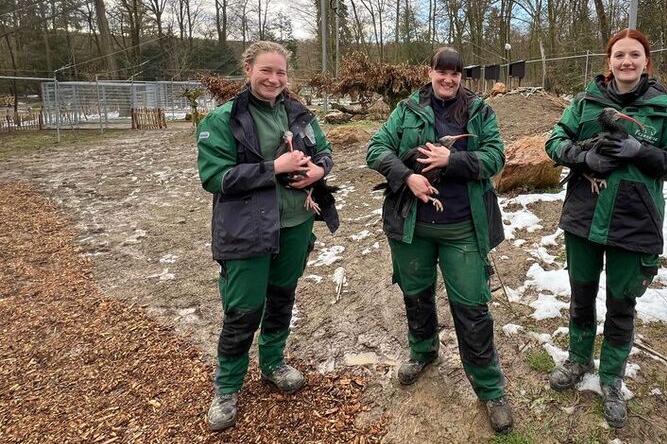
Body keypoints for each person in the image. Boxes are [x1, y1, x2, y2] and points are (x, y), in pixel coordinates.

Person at [544, 29, 667, 428]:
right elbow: (554, 141)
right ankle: (578, 360)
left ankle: (611, 377)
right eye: (619, 55)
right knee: (581, 293)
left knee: (622, 303)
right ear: (608, 60)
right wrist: (583, 157)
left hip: (635, 221)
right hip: (583, 216)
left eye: (634, 55)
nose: (626, 62)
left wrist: (642, 151)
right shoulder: (585, 103)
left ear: (646, 60)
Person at [366, 47, 513, 434]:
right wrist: (406, 176)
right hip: (412, 225)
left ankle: (489, 388)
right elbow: (375, 149)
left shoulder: (478, 111)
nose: (448, 79)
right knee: (416, 293)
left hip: (462, 227)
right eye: (441, 72)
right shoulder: (407, 110)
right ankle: (423, 351)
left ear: (462, 77)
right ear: (429, 72)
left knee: (472, 306)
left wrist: (453, 161)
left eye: (455, 73)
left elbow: (496, 157)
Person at [196, 41, 339, 432]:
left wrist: (318, 172)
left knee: (281, 298)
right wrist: (273, 167)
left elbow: (324, 152)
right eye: (266, 71)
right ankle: (226, 387)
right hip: (246, 230)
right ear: (248, 70)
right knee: (242, 310)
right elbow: (215, 177)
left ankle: (273, 362)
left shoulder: (299, 114)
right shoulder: (224, 120)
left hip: (295, 225)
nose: (274, 79)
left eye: (280, 72)